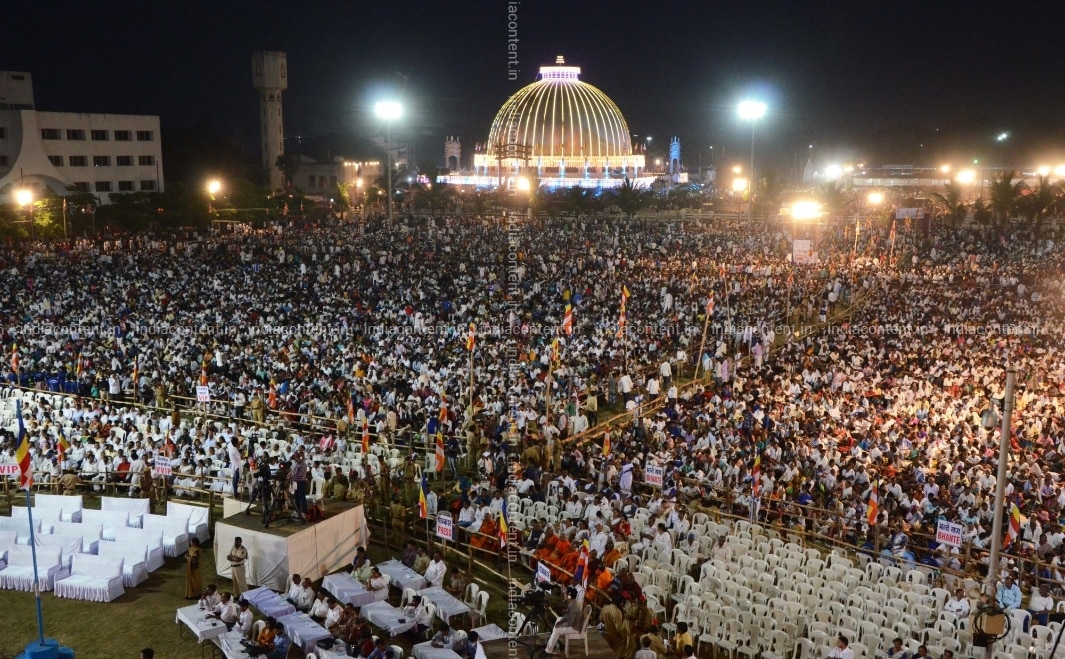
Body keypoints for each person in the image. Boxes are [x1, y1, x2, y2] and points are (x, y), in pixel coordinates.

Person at [545, 587, 584, 655]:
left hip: (574, 627)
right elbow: (567, 616)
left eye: (565, 593)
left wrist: (561, 625)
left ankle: (549, 650)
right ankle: (552, 642)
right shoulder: (573, 602)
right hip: (574, 623)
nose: (564, 594)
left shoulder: (573, 606)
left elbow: (570, 622)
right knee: (558, 620)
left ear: (569, 596)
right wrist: (560, 622)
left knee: (557, 629)